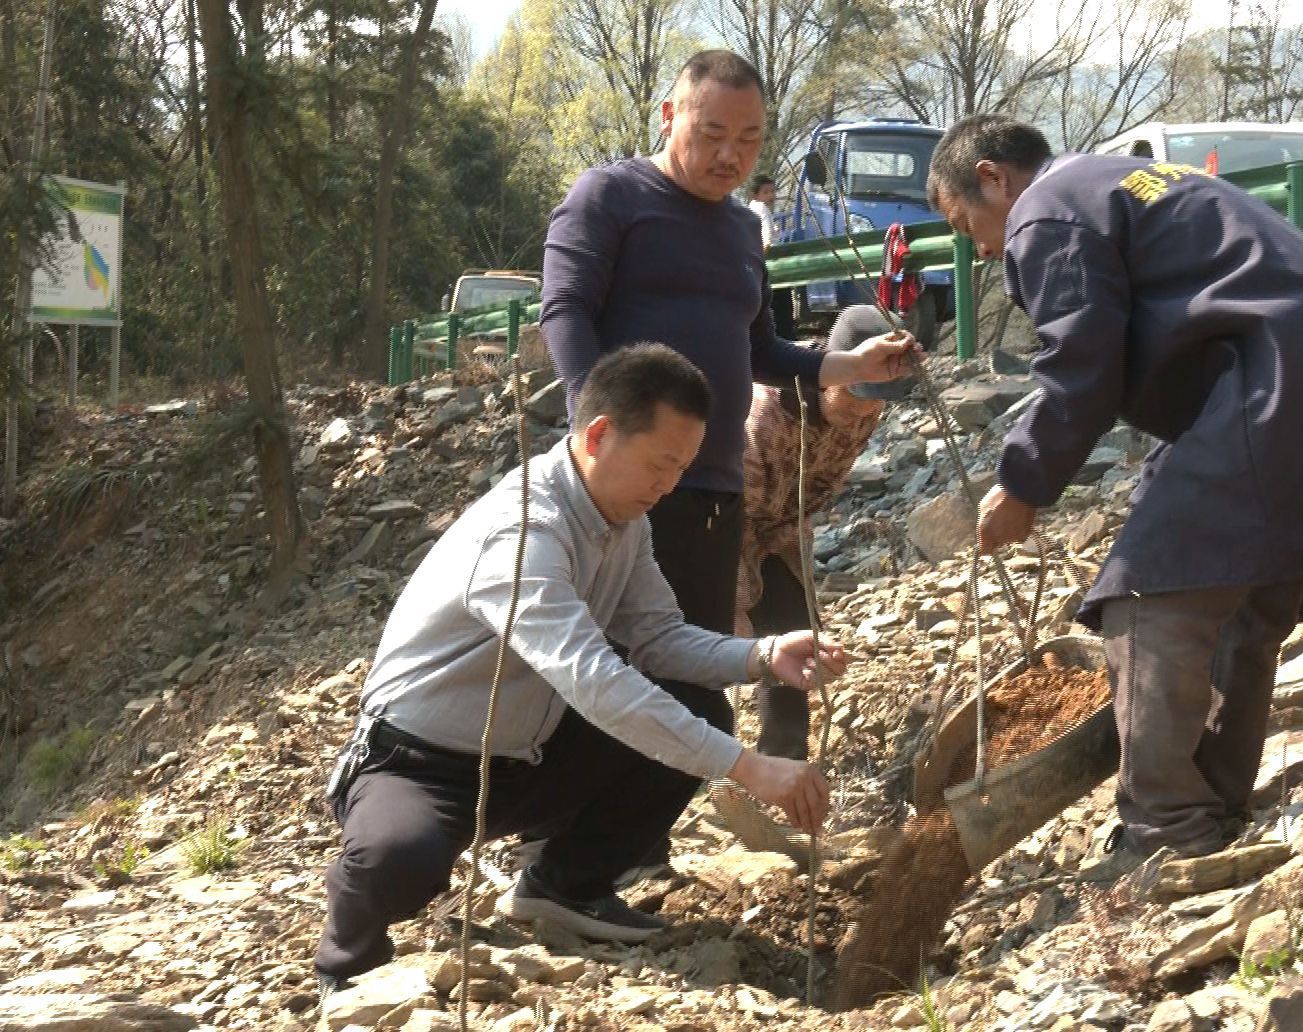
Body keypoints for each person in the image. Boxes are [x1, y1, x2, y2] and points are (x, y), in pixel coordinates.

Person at [925, 115, 1303, 882]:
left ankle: (1165, 825)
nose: (983, 249)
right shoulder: (1123, 180)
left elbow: (1081, 363)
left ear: (994, 177)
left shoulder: (1048, 208)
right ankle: (1217, 802)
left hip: (1278, 374)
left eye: (968, 225)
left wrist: (1023, 482)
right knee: (1246, 587)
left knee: (1145, 589)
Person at [314, 345, 847, 991]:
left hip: (534, 754)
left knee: (702, 707)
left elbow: (656, 637)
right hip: (424, 763)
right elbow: (592, 678)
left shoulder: (623, 519)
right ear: (598, 435)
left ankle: (563, 885)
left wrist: (760, 655)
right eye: (661, 463)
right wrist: (747, 767)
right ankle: (346, 965)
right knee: (398, 862)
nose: (670, 485)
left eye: (681, 467)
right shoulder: (523, 532)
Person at [540, 49, 913, 869]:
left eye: (748, 140)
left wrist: (849, 367)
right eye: (711, 132)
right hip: (625, 481)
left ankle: (628, 849)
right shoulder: (612, 197)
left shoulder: (744, 229)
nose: (728, 156)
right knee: (612, 663)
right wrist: (597, 428)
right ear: (669, 117)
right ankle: (569, 847)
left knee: (690, 672)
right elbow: (564, 308)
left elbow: (758, 350)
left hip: (711, 485)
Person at [737, 306, 913, 759]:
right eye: (859, 394)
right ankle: (690, 760)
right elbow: (737, 513)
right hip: (721, 525)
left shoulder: (865, 409)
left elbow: (822, 484)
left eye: (879, 398)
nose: (869, 410)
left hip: (785, 524)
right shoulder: (766, 413)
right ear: (830, 374)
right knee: (709, 637)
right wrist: (735, 599)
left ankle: (783, 758)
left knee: (793, 633)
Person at [746, 173, 778, 250]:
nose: (771, 195)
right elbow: (767, 233)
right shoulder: (762, 208)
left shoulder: (751, 208)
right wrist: (767, 245)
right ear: (755, 195)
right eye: (766, 192)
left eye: (772, 191)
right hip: (766, 252)